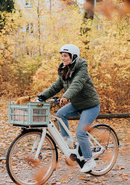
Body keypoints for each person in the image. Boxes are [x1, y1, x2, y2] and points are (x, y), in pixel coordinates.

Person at [37, 44, 100, 173]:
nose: (63, 58)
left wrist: (66, 96)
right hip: (77, 103)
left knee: (81, 132)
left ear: (74, 56)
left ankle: (89, 160)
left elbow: (76, 84)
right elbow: (55, 86)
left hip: (90, 105)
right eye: (62, 56)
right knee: (60, 114)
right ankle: (67, 140)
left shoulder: (81, 69)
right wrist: (42, 96)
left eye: (65, 56)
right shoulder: (65, 70)